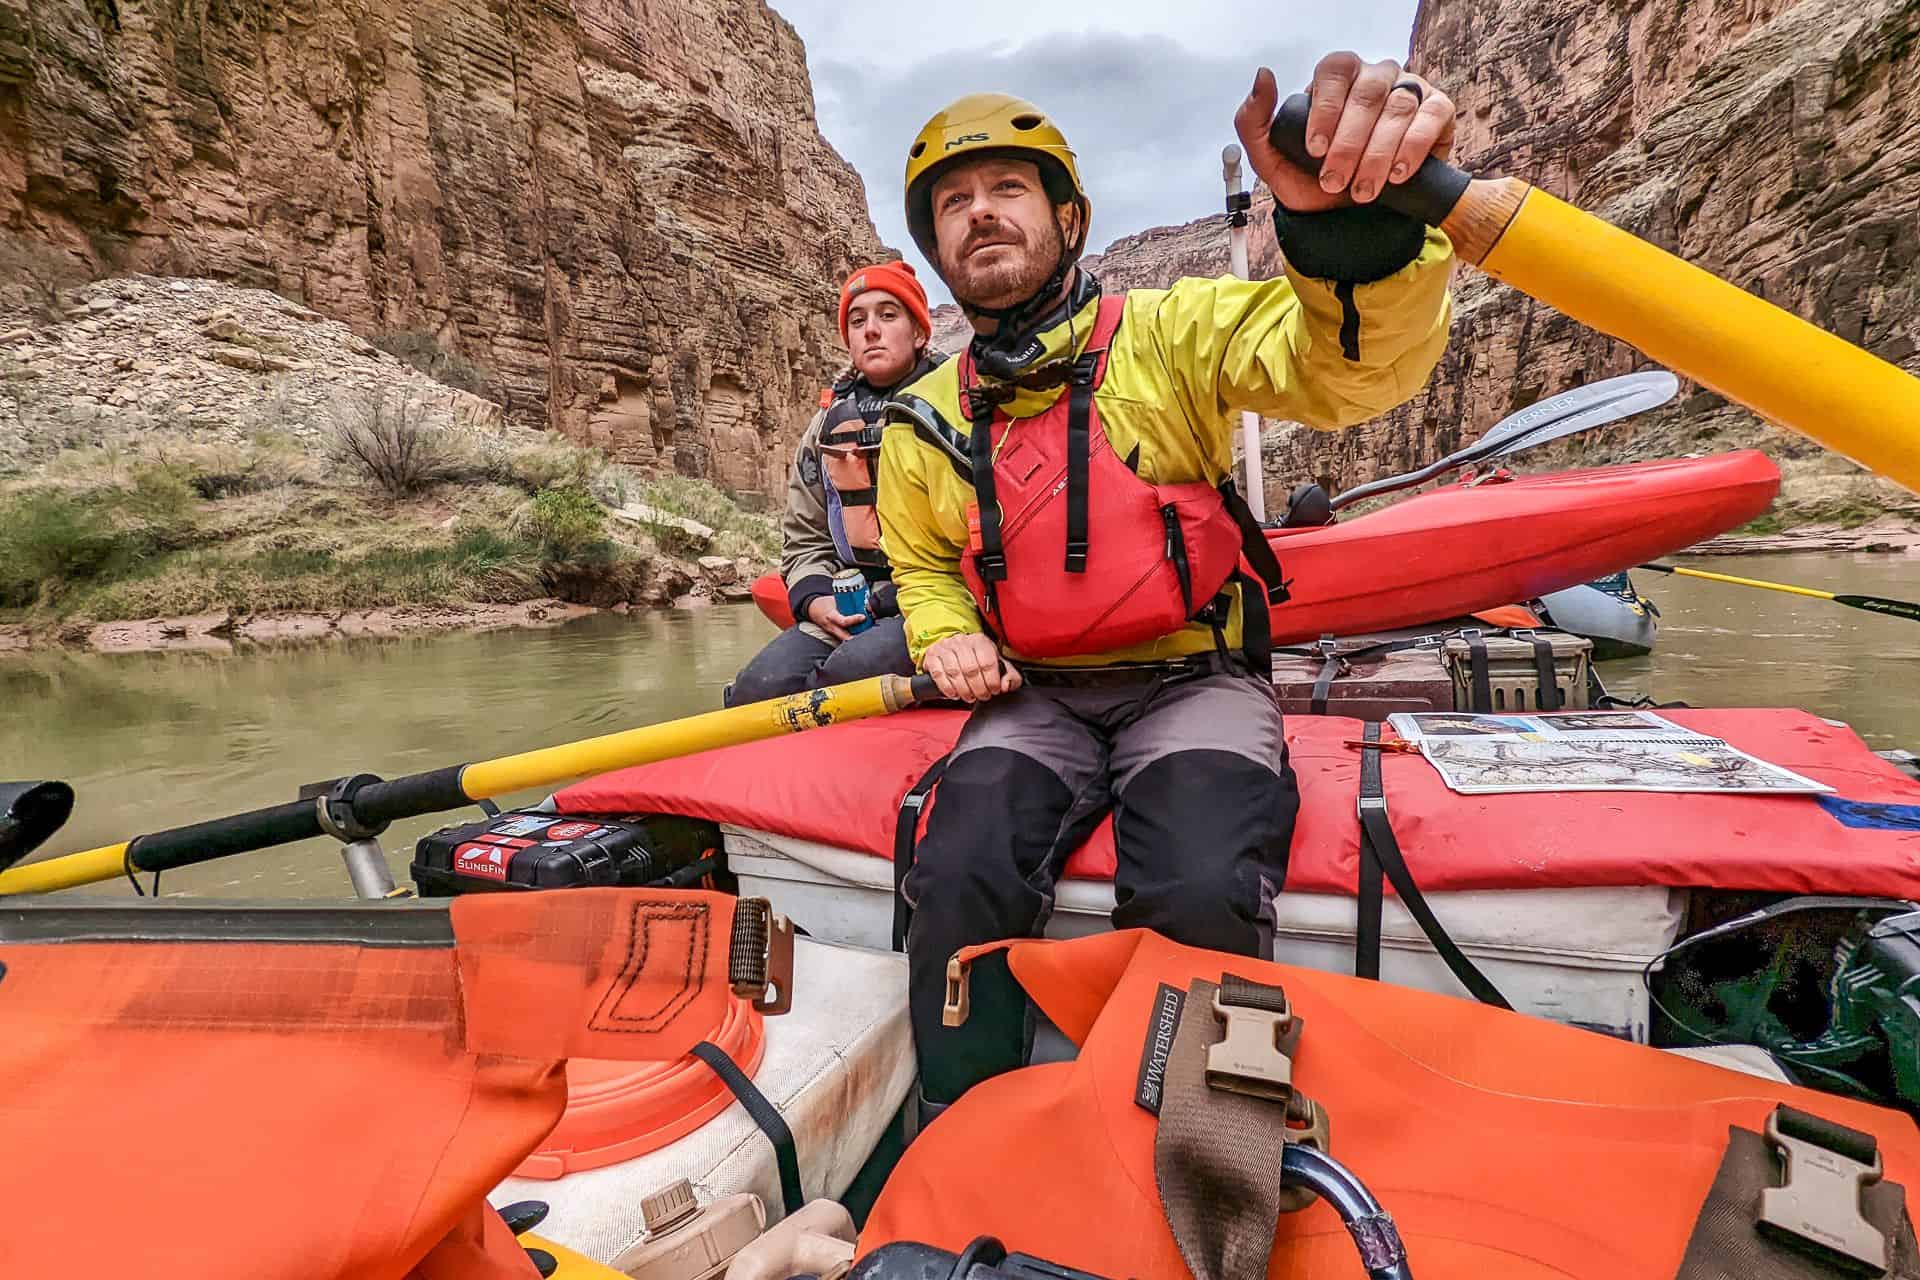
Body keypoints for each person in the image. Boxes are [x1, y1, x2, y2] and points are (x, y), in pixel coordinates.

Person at [877, 53, 1459, 1111]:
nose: (981, 214)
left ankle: (1202, 1137)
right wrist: (940, 632)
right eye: (953, 204)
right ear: (936, 251)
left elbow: (1343, 369)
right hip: (1032, 695)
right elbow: (921, 564)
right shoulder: (919, 416)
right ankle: (968, 1124)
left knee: (1199, 881)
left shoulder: (1169, 334)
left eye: (1008, 188)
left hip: (1192, 681)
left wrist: (1349, 240)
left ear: (1069, 217)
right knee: (957, 873)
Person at [724, 262, 944, 707]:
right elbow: (805, 537)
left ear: (920, 333)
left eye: (888, 315)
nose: (871, 331)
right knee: (754, 691)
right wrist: (815, 598)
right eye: (858, 321)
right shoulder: (825, 429)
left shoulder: (957, 409)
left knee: (843, 677)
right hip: (849, 601)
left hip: (934, 602)